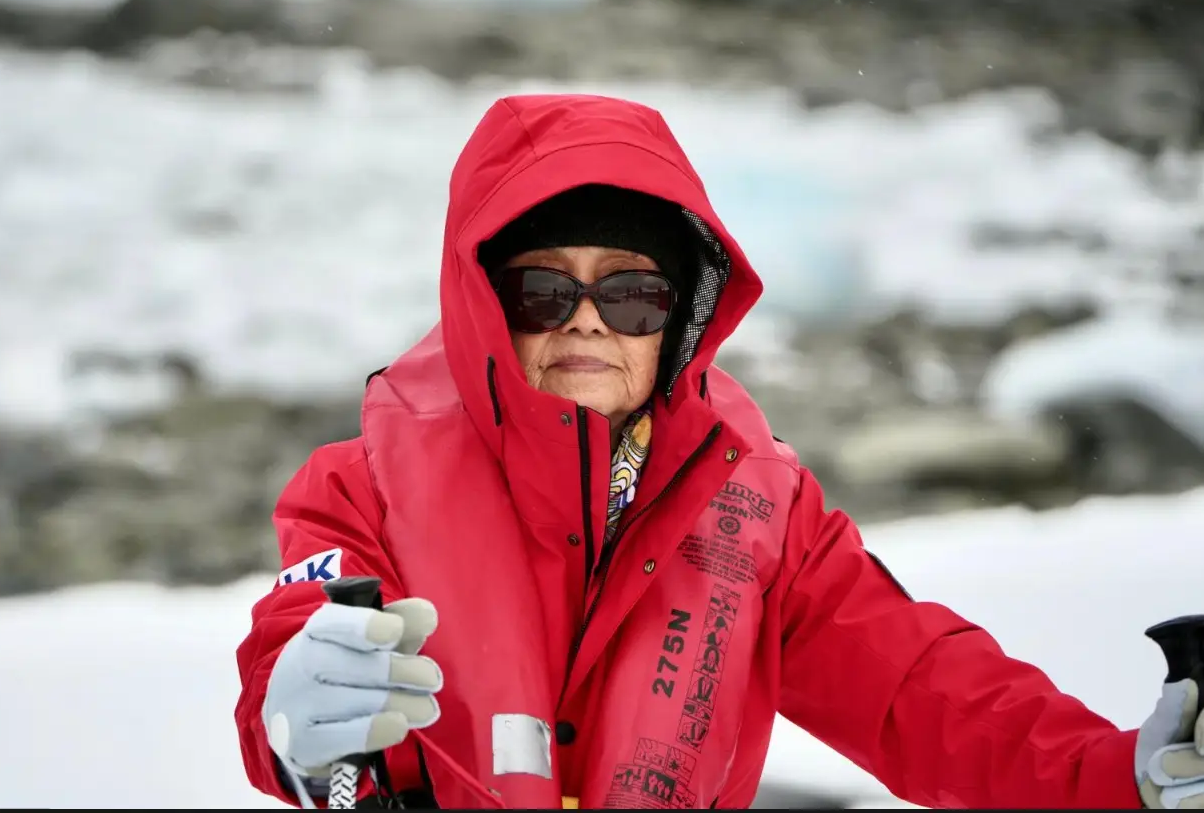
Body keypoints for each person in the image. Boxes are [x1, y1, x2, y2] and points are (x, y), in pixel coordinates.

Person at [234, 93, 1204, 810]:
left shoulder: (759, 505)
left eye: (631, 293)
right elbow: (293, 655)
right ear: (487, 304)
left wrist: (1114, 775)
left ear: (680, 316)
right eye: (542, 290)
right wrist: (293, 718)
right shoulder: (361, 486)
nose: (587, 324)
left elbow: (921, 691)